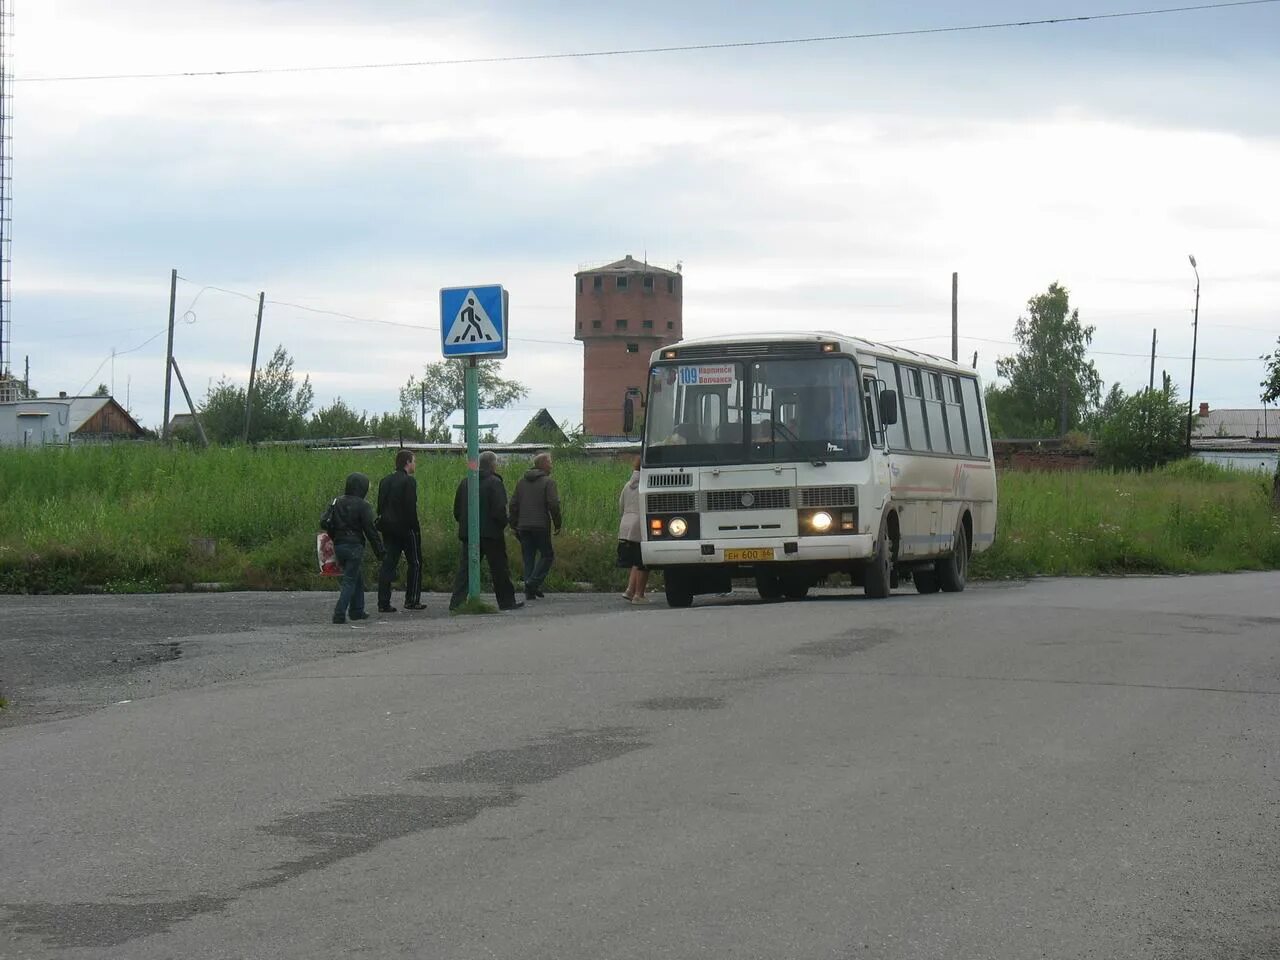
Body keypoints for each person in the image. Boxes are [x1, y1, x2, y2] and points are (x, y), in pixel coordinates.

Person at [450, 451, 523, 611]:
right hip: (492, 533)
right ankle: (506, 602)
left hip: (469, 532)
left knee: (466, 569)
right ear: (493, 465)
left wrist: (466, 524)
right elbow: (499, 510)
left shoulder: (465, 482)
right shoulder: (495, 483)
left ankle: (457, 603)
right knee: (499, 568)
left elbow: (457, 510)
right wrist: (503, 524)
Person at [329, 472, 385, 625]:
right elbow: (370, 531)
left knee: (356, 577)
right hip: (354, 545)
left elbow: (326, 522)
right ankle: (339, 613)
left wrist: (334, 537)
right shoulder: (363, 505)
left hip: (339, 544)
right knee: (350, 580)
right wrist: (380, 552)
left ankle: (357, 610)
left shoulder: (337, 501)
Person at [509, 451, 562, 601]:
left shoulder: (521, 482)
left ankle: (529, 590)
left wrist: (514, 524)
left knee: (528, 557)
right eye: (550, 462)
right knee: (547, 555)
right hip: (540, 525)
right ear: (543, 465)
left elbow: (513, 504)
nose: (552, 465)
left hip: (523, 526)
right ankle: (532, 583)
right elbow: (553, 504)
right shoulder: (549, 482)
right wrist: (558, 523)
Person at [376, 449, 424, 612]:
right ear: (407, 463)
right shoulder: (409, 482)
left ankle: (383, 602)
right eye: (414, 461)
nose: (415, 464)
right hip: (406, 528)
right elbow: (410, 508)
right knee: (415, 563)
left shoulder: (384, 481)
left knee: (388, 564)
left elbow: (380, 506)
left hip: (388, 528)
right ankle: (412, 600)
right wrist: (415, 528)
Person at [617, 456, 649, 603]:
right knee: (643, 561)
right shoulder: (647, 485)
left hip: (625, 524)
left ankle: (630, 590)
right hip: (639, 525)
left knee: (636, 560)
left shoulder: (627, 485)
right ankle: (639, 594)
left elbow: (621, 506)